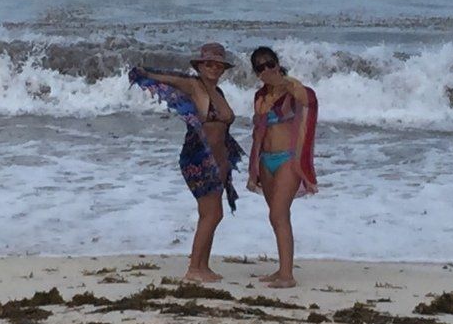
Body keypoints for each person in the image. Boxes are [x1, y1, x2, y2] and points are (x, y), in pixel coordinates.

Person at [129, 44, 242, 283]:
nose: (214, 68)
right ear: (200, 65)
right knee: (211, 214)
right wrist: (145, 72)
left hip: (220, 161)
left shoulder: (217, 92)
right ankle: (194, 269)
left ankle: (202, 265)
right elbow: (170, 78)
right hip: (199, 159)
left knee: (212, 214)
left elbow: (225, 122)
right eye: (209, 63)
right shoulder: (194, 86)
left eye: (218, 65)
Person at [246, 45, 317, 288]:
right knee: (278, 217)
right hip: (266, 160)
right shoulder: (260, 97)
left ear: (277, 63)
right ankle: (282, 269)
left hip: (288, 159)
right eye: (260, 67)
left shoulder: (292, 91)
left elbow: (308, 99)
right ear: (256, 72)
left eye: (270, 63)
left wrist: (284, 82)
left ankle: (288, 275)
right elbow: (258, 132)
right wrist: (253, 168)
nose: (266, 69)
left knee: (277, 213)